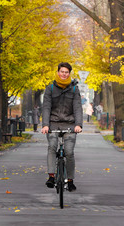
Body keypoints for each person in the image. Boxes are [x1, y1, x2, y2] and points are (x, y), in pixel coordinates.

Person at [41, 62, 82, 192]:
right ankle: (51, 176)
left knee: (69, 152)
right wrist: (45, 125)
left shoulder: (74, 89)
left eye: (66, 72)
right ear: (58, 72)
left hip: (70, 125)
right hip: (53, 124)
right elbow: (46, 107)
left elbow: (77, 108)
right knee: (52, 146)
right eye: (62, 71)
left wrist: (78, 125)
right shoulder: (50, 88)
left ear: (69, 74)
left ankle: (70, 180)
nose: (64, 74)